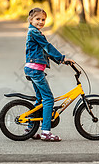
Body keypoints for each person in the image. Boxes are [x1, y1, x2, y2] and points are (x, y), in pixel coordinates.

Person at [24, 7, 74, 141]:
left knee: (40, 100)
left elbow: (45, 52)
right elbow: (48, 47)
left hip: (34, 69)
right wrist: (62, 57)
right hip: (35, 70)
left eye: (43, 19)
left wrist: (61, 61)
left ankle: (30, 129)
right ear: (30, 20)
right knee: (48, 99)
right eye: (37, 19)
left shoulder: (36, 33)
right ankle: (46, 131)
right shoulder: (34, 33)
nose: (40, 22)